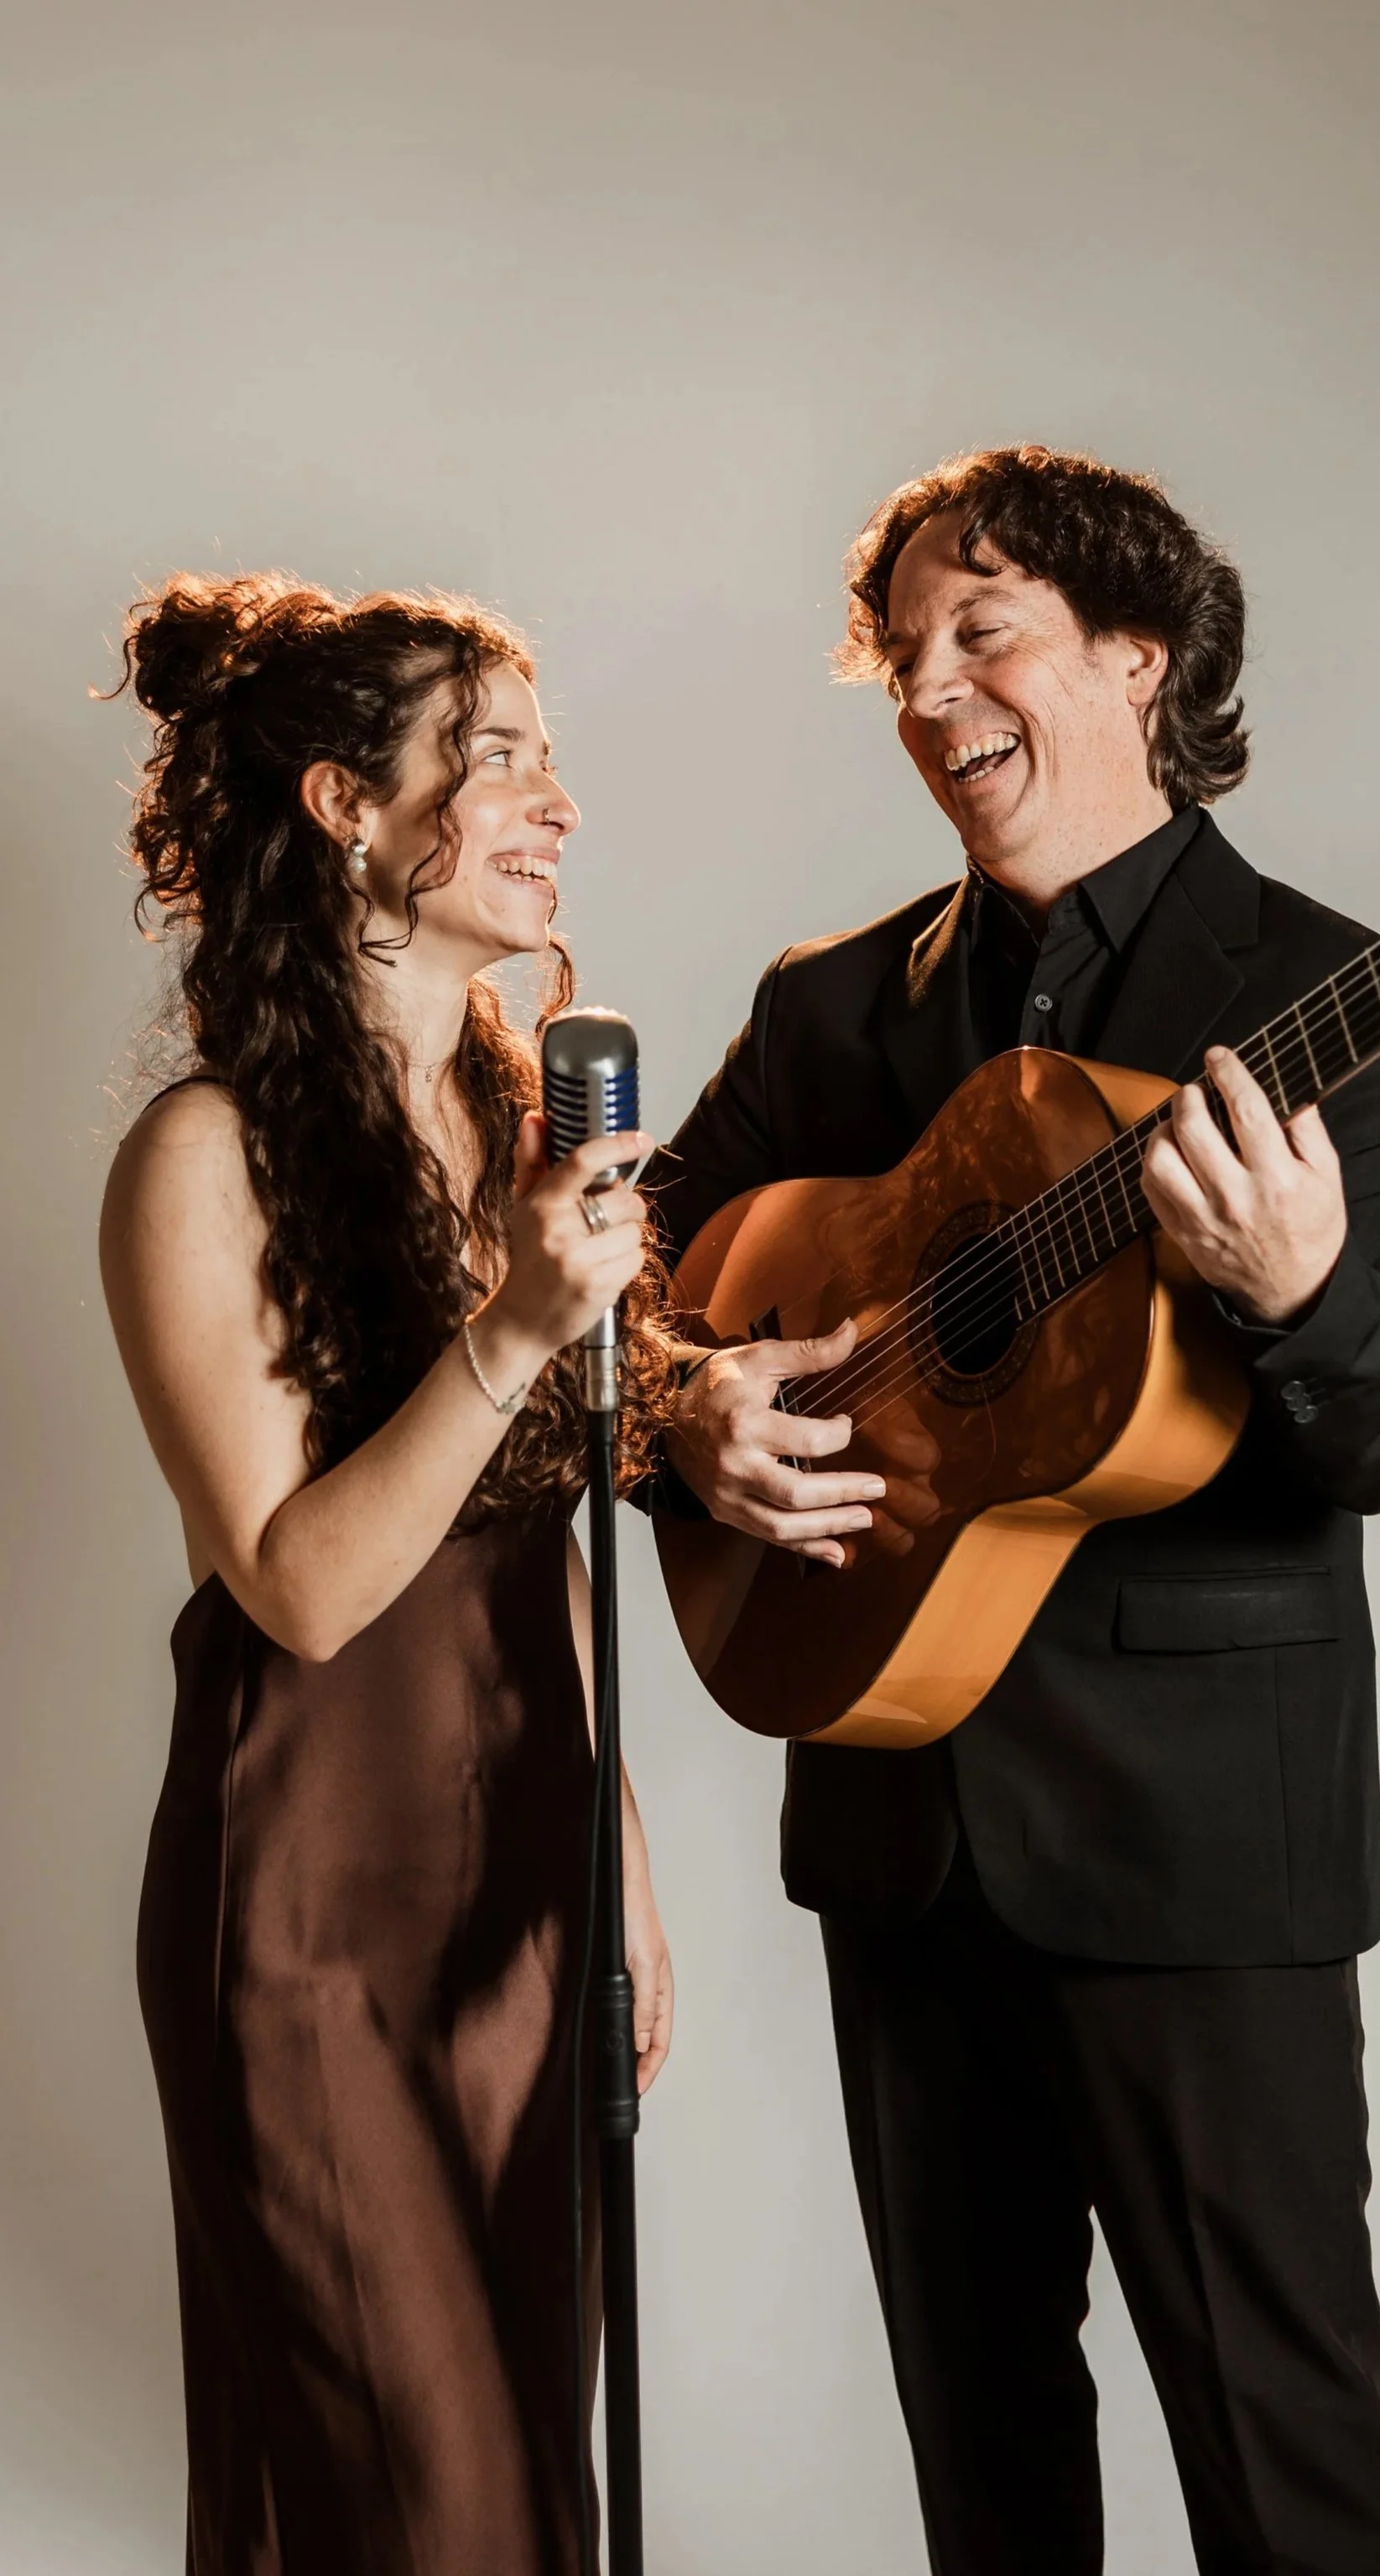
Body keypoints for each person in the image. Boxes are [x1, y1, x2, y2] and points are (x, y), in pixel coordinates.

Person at [654, 447, 1380, 2573]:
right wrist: (690, 1407)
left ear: (1139, 650)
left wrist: (1301, 1293)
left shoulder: (1326, 992)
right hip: (900, 1835)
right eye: (899, 652)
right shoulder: (831, 1010)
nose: (929, 692)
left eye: (980, 628)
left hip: (1201, 1851)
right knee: (987, 2480)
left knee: (1291, 2460)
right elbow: (625, 1295)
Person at [99, 573, 674, 2576]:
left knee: (530, 2487)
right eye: (498, 754)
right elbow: (302, 1584)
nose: (554, 803)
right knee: (440, 2520)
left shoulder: (517, 1123)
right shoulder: (206, 1152)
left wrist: (624, 1855)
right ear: (352, 806)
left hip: (528, 1894)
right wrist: (515, 1325)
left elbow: (546, 1528)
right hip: (315, 1925)